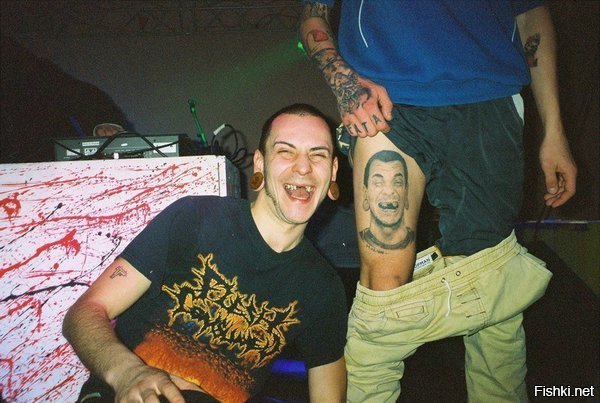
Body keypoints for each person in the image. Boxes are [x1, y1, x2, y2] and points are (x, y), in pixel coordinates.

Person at [300, 1, 577, 402]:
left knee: (494, 294)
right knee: (384, 288)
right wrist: (344, 81)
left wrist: (554, 130)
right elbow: (312, 14)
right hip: (385, 101)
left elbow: (532, 15)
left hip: (488, 99)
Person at [63, 103, 348, 402]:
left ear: (333, 171)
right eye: (286, 151)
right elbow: (84, 313)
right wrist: (129, 373)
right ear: (260, 164)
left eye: (318, 154)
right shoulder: (194, 218)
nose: (303, 167)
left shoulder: (323, 287)